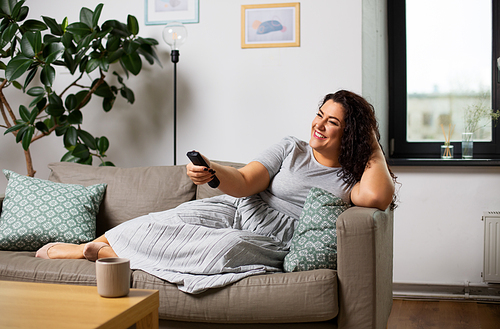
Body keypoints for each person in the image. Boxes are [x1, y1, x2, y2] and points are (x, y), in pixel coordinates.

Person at [35, 90, 397, 293]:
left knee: (224, 248)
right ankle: (91, 249)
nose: (318, 124)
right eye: (319, 114)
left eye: (331, 122)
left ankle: (108, 252)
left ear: (349, 133)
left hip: (277, 236)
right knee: (160, 221)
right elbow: (243, 181)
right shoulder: (292, 148)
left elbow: (379, 198)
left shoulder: (354, 177)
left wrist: (372, 144)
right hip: (239, 207)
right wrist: (211, 170)